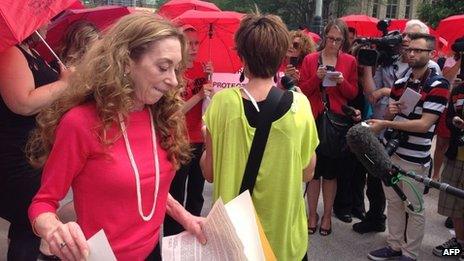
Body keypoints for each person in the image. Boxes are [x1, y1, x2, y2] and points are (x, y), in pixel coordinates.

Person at [27, 13, 206, 260]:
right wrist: (55, 231)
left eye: (176, 69)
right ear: (126, 62)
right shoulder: (81, 123)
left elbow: (150, 187)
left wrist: (186, 217)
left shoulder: (163, 117)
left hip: (152, 252)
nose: (174, 80)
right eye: (163, 67)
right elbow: (42, 204)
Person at [201, 13, 318, 260]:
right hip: (283, 240)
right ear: (281, 57)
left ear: (241, 56)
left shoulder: (221, 104)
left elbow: (209, 173)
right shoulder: (300, 106)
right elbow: (307, 173)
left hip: (234, 241)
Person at [367, 33, 450, 261]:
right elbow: (388, 115)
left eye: (418, 50)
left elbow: (425, 125)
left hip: (415, 158)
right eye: (409, 49)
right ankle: (393, 246)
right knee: (393, 203)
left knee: (414, 208)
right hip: (393, 152)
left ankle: (410, 253)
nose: (411, 54)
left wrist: (384, 122)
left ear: (431, 54)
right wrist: (389, 114)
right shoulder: (401, 82)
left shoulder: (438, 84)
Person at [0, 24, 72, 260]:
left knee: (26, 223)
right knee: (29, 224)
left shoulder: (32, 51)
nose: (50, 22)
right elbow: (22, 102)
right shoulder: (11, 53)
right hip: (17, 155)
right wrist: (65, 83)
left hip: (35, 151)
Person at [299, 19, 358, 233]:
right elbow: (303, 90)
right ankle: (312, 214)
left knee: (331, 173)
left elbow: (353, 94)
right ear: (324, 36)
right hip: (314, 118)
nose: (333, 43)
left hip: (336, 123)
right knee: (314, 172)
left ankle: (327, 216)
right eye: (331, 38)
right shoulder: (310, 59)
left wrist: (342, 82)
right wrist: (316, 78)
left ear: (344, 41)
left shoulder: (350, 61)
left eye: (338, 40)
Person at [163, 25, 213, 236]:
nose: (193, 48)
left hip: (199, 138)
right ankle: (173, 236)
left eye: (196, 43)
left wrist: (212, 80)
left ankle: (193, 232)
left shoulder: (205, 68)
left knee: (196, 192)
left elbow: (211, 105)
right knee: (176, 191)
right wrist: (199, 96)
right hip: (179, 139)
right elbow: (174, 112)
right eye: (189, 43)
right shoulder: (174, 72)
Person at [433, 81, 464, 261]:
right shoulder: (459, 90)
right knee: (454, 203)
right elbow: (449, 118)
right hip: (455, 154)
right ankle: (459, 244)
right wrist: (455, 122)